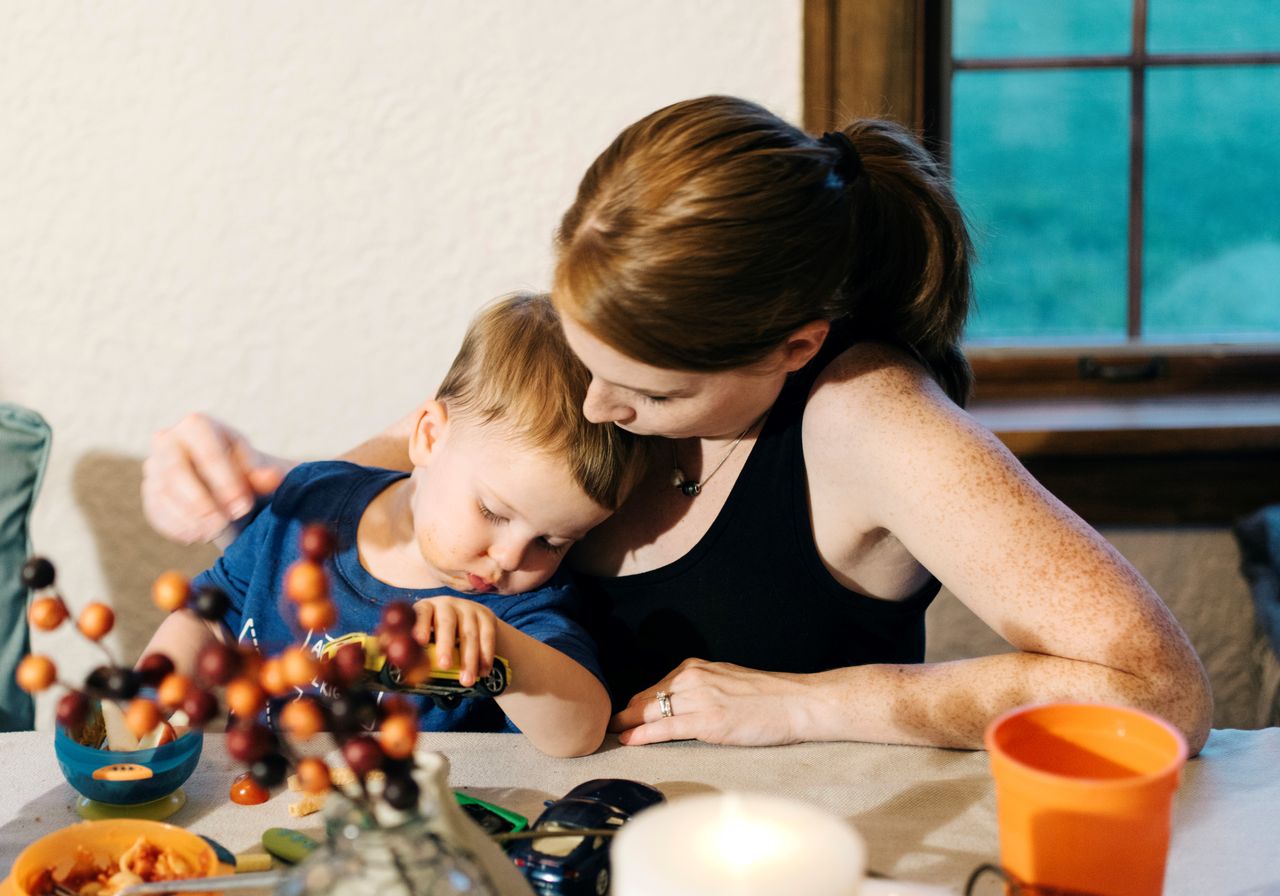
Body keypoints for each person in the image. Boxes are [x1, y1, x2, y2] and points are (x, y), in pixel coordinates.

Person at [142, 96, 1213, 754]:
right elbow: (400, 470)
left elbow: (1159, 692)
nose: (601, 408)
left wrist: (811, 706)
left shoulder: (866, 419)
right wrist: (238, 474)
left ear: (791, 347)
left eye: (647, 397)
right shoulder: (629, 335)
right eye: (586, 356)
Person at [142, 293, 645, 757]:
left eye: (552, 542)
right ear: (428, 437)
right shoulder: (312, 503)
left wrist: (500, 653)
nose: (512, 557)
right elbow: (207, 617)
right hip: (261, 801)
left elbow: (580, 730)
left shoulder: (519, 608)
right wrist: (151, 696)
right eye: (493, 512)